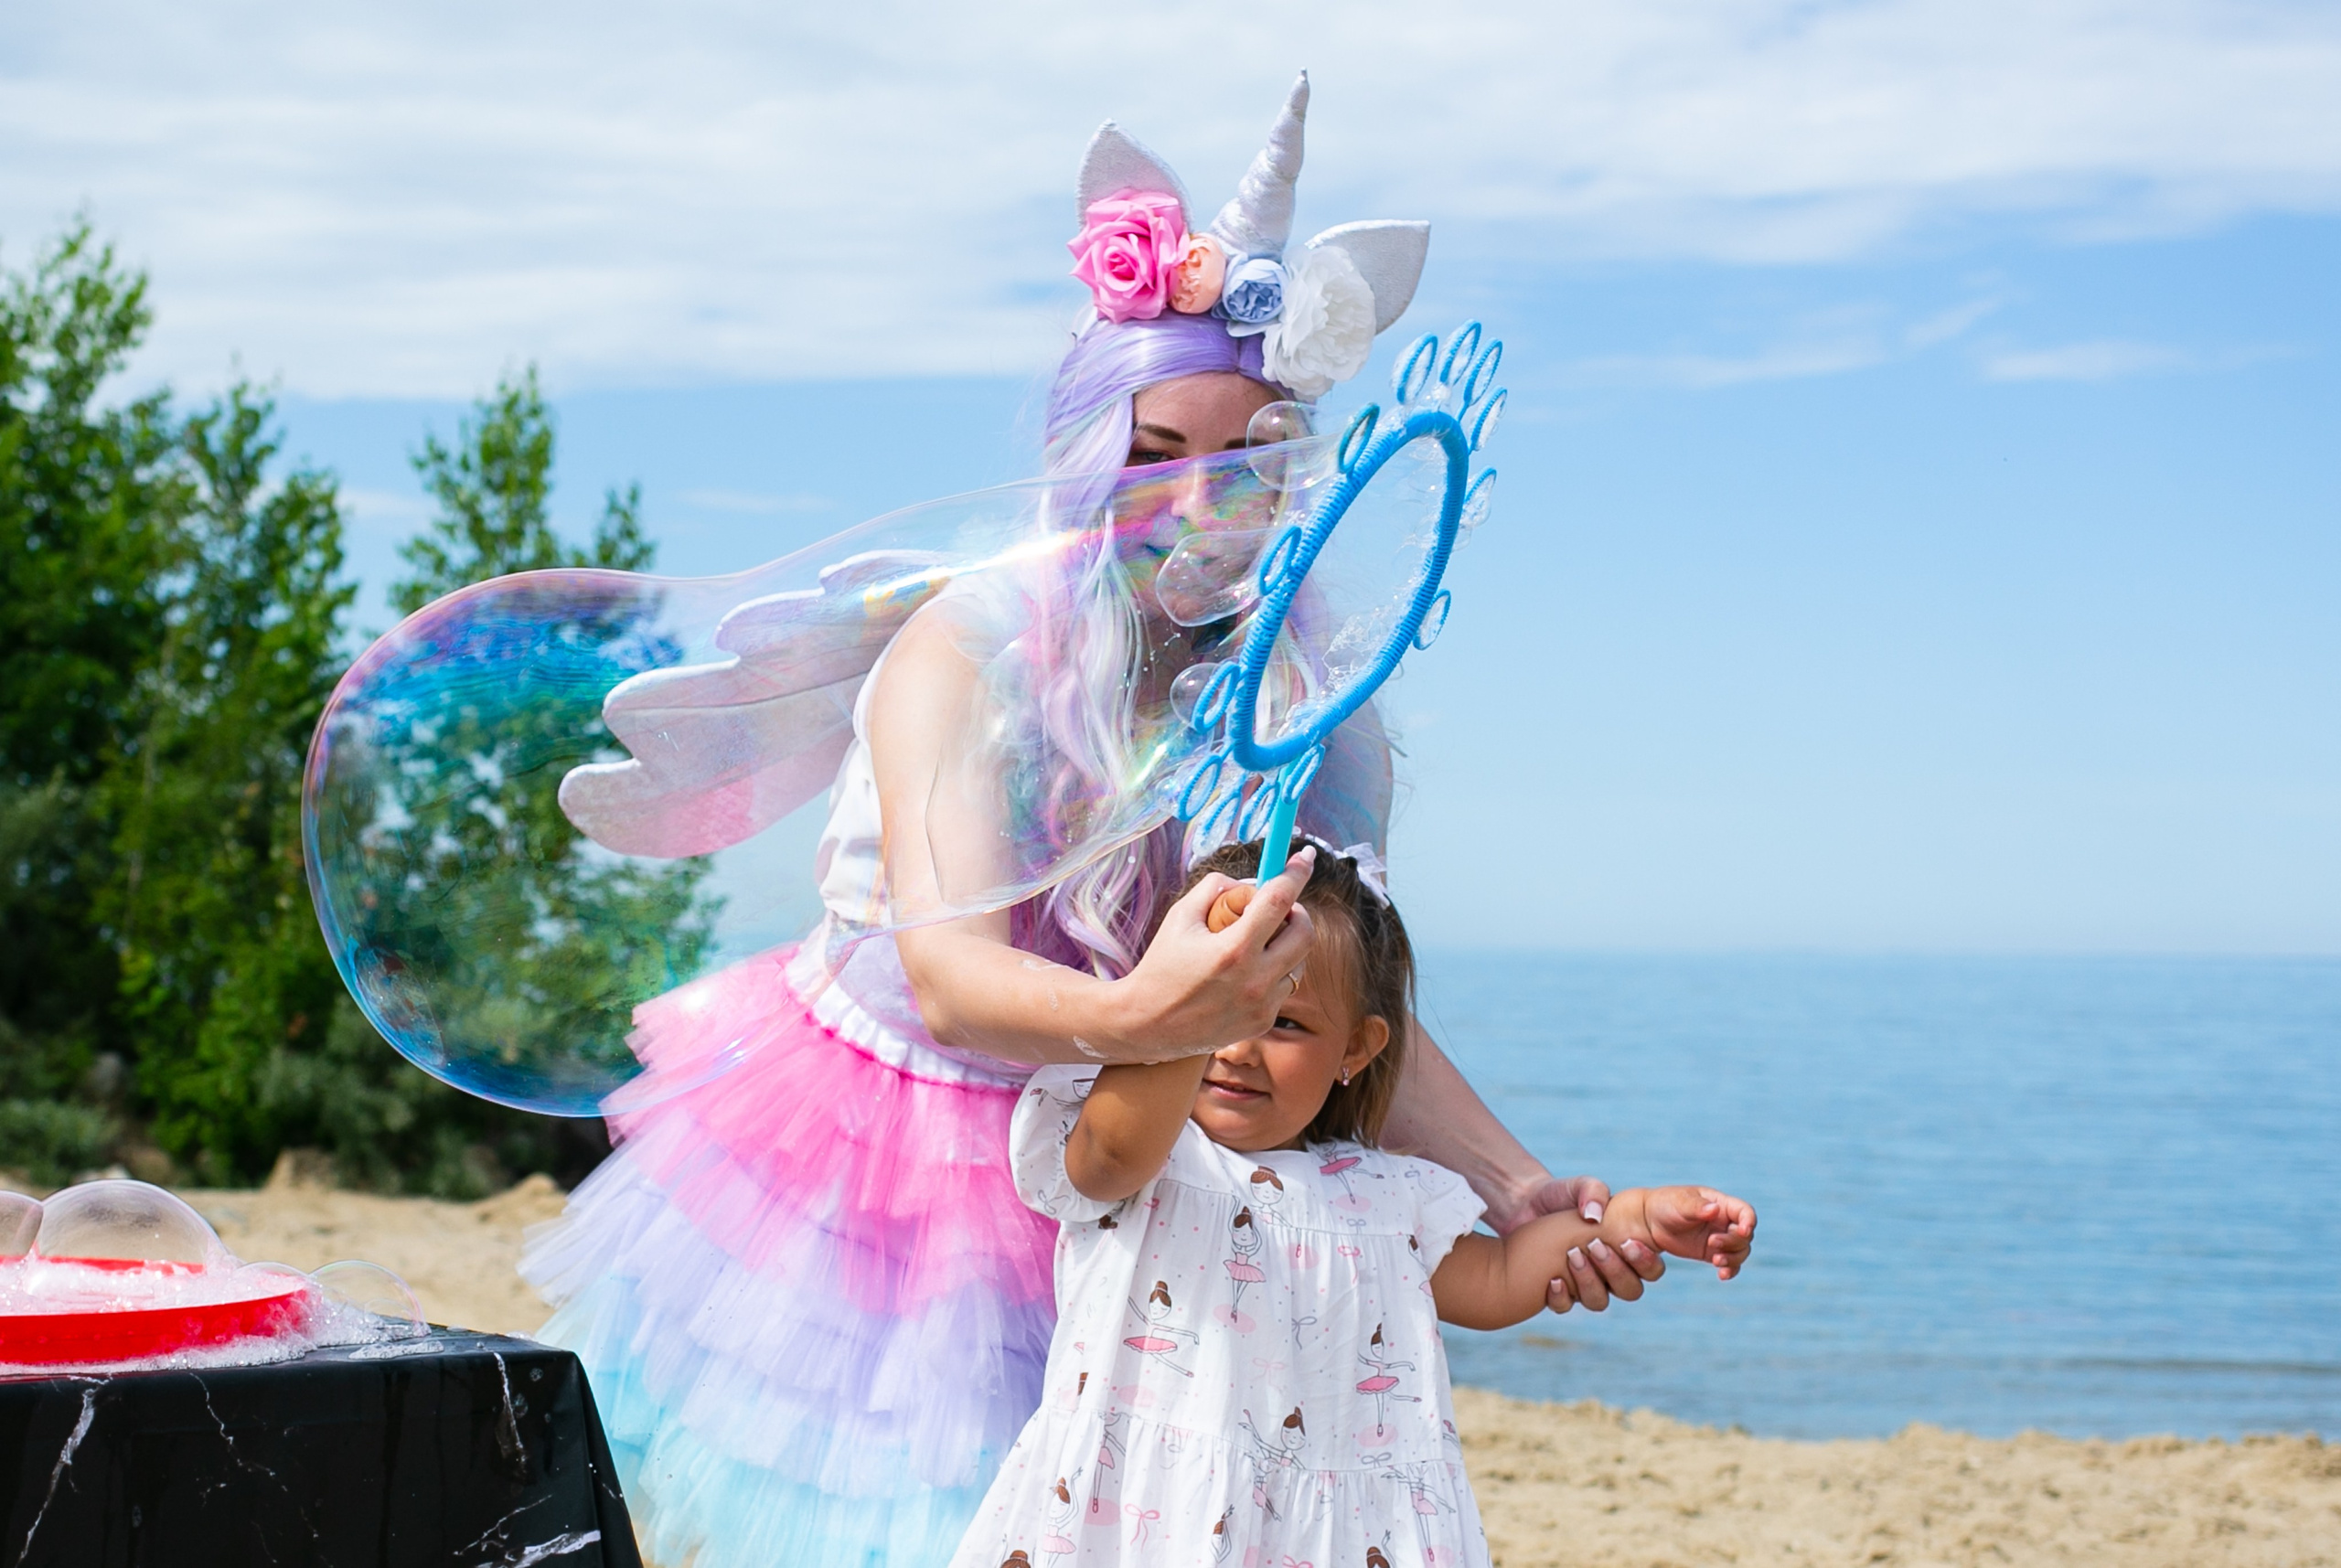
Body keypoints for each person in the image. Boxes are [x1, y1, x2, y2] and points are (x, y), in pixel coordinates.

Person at [522, 78, 1663, 1568]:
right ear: (1082, 458)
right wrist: (1153, 1010)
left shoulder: (1311, 700)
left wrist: (1516, 1180)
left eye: (1250, 462)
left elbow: (1325, 982)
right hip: (897, 1146)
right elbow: (953, 976)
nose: (1207, 505)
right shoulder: (975, 647)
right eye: (1156, 455)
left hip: (1130, 1125)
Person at [948, 841, 1757, 1567]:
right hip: (1136, 1518)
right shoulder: (1150, 1154)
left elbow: (1501, 1271)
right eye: (1213, 1009)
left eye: (1282, 1018)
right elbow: (1110, 1156)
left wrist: (1636, 1219)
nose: (1234, 1042)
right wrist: (1184, 1001)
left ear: (1358, 1050)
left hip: (1336, 1532)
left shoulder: (1383, 1192)